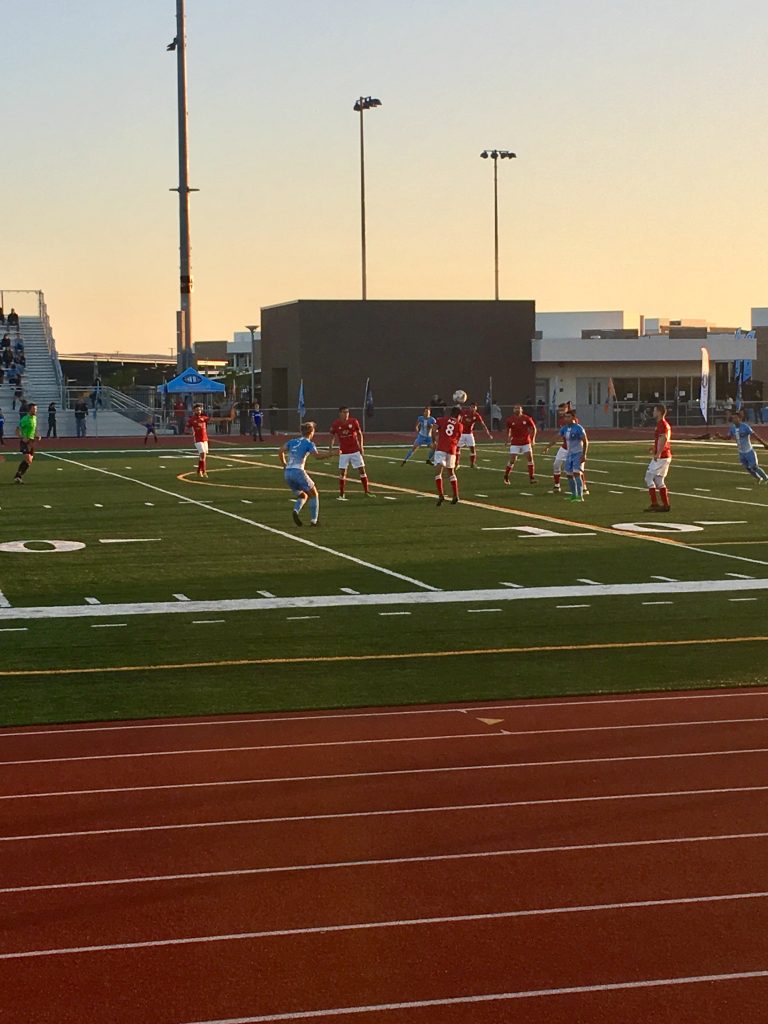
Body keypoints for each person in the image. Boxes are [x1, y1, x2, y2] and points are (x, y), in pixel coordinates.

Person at [279, 421, 333, 526]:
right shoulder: (309, 443)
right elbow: (317, 456)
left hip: (288, 473)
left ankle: (296, 510)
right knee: (314, 494)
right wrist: (331, 454)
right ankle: (314, 521)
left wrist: (284, 464)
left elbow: (280, 450)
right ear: (311, 432)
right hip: (298, 472)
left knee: (303, 495)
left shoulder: (293, 441)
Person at [713, 409, 768, 482]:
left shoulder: (745, 427)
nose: (734, 419)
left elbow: (755, 436)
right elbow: (728, 437)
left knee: (754, 467)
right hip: (741, 452)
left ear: (740, 419)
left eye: (735, 418)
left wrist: (764, 444)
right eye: (733, 418)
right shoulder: (732, 428)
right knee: (747, 468)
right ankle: (758, 478)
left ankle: (766, 478)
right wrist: (720, 436)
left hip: (749, 451)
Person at [329, 406, 370, 498]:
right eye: (344, 412)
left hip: (355, 450)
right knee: (343, 472)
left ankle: (367, 491)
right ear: (340, 413)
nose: (346, 414)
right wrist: (330, 450)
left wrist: (361, 447)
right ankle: (341, 493)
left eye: (347, 412)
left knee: (362, 470)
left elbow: (359, 434)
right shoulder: (336, 424)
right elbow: (332, 437)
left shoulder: (354, 421)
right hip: (344, 452)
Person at [432, 405, 463, 506]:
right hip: (452, 449)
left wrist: (434, 441)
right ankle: (456, 495)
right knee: (451, 472)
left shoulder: (441, 420)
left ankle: (441, 495)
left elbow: (433, 430)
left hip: (441, 448)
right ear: (458, 416)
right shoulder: (460, 425)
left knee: (438, 473)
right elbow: (458, 440)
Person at [645, 403, 672, 512]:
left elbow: (664, 438)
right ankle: (665, 505)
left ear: (659, 412)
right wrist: (654, 447)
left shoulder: (662, 424)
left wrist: (658, 453)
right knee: (658, 480)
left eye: (655, 410)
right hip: (665, 455)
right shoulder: (663, 424)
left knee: (648, 478)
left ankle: (654, 503)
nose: (653, 412)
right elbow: (662, 439)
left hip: (662, 456)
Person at [504, 403, 538, 484]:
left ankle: (531, 478)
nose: (517, 410)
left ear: (521, 410)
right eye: (515, 408)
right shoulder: (510, 419)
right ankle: (506, 475)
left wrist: (533, 439)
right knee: (512, 460)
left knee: (530, 459)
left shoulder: (527, 418)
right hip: (515, 442)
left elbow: (534, 428)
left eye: (518, 408)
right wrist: (508, 439)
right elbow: (508, 430)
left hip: (526, 442)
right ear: (513, 410)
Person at [559, 409, 588, 502]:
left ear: (574, 418)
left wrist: (584, 454)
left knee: (576, 474)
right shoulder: (564, 428)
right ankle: (574, 494)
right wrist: (548, 446)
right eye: (565, 417)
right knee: (568, 474)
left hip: (577, 454)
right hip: (569, 454)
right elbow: (557, 437)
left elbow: (585, 441)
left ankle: (580, 496)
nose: (566, 419)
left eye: (568, 417)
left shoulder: (579, 428)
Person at [457, 401, 493, 468]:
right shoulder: (464, 412)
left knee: (472, 448)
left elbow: (483, 424)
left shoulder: (476, 415)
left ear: (476, 408)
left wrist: (488, 434)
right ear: (469, 407)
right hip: (461, 433)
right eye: (472, 407)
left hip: (469, 434)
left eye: (474, 407)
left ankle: (472, 464)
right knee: (457, 448)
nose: (473, 408)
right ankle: (456, 463)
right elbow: (458, 418)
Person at [13, 402, 39, 484]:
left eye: (36, 409)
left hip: (32, 442)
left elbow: (34, 429)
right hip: (25, 442)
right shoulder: (25, 419)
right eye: (34, 409)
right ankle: (18, 477)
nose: (35, 410)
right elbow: (17, 430)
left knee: (29, 461)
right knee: (28, 458)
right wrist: (22, 437)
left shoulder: (35, 418)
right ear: (30, 410)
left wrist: (37, 435)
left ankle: (18, 476)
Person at [186, 403, 211, 477]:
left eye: (200, 410)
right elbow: (186, 428)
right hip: (197, 439)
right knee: (202, 453)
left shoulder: (204, 418)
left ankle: (198, 470)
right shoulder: (192, 419)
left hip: (205, 439)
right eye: (197, 410)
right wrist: (190, 431)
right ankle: (204, 471)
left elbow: (212, 420)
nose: (199, 411)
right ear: (194, 411)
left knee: (203, 456)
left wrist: (227, 418)